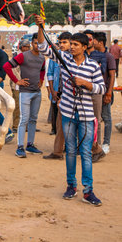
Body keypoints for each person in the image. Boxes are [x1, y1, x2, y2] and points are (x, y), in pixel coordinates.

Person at [36, 15, 105, 206]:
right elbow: (43, 48)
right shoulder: (63, 58)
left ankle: (88, 191)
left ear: (84, 47)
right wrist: (41, 27)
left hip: (86, 116)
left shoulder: (93, 66)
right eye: (71, 44)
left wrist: (86, 84)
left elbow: (102, 88)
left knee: (85, 153)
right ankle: (71, 186)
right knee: (71, 151)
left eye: (76, 44)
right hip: (67, 113)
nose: (71, 47)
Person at [4, 33, 45, 158]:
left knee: (33, 119)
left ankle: (30, 145)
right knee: (24, 119)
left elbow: (42, 69)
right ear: (32, 43)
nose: (37, 45)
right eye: (35, 43)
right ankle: (20, 147)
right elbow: (7, 66)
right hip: (25, 92)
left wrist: (41, 80)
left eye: (40, 43)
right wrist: (17, 81)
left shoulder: (42, 58)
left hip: (36, 92)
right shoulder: (23, 56)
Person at [43, 32, 72, 160]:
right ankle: (58, 151)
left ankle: (94, 148)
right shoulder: (56, 57)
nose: (61, 45)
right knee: (60, 124)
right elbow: (49, 73)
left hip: (72, 96)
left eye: (64, 42)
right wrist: (52, 91)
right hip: (59, 92)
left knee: (77, 124)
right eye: (60, 43)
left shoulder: (75, 58)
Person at [84, 29, 107, 163]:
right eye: (86, 39)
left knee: (96, 121)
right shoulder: (80, 54)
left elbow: (102, 70)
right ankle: (87, 148)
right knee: (83, 121)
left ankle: (96, 149)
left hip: (95, 92)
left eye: (90, 38)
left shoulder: (100, 55)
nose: (88, 41)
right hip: (82, 92)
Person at [93, 32, 116, 154]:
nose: (92, 42)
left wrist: (109, 93)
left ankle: (106, 142)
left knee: (106, 118)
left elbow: (112, 76)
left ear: (100, 42)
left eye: (94, 40)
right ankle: (98, 144)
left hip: (105, 91)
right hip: (96, 91)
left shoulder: (108, 57)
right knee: (97, 119)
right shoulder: (93, 56)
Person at [10, 39, 31, 132]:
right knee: (17, 106)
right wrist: (20, 81)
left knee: (27, 106)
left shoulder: (30, 56)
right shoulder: (16, 56)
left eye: (28, 46)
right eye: (24, 46)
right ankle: (15, 126)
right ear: (21, 47)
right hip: (17, 85)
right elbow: (13, 70)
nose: (26, 48)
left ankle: (26, 126)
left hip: (27, 85)